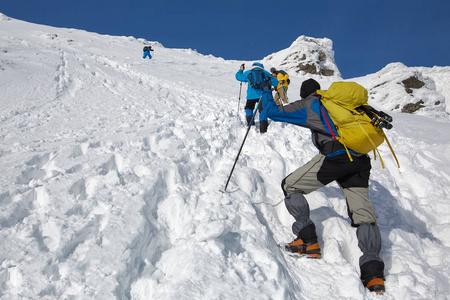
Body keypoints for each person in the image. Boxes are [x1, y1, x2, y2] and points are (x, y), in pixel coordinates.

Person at [260, 78, 386, 294]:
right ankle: (373, 274)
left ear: (304, 94)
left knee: (290, 185)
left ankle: (307, 240)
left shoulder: (309, 103)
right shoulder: (338, 103)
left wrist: (264, 93)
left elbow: (274, 112)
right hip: (360, 158)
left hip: (337, 155)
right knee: (363, 214)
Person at [235, 63, 277, 133]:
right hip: (262, 95)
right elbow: (276, 82)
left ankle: (250, 124)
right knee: (262, 109)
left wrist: (241, 70)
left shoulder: (249, 72)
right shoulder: (265, 73)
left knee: (249, 108)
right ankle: (263, 127)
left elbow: (238, 77)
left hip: (251, 95)